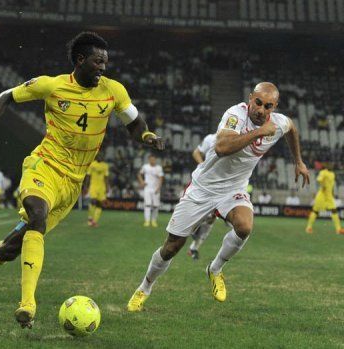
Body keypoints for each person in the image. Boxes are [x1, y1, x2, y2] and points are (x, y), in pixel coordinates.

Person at [0, 32, 164, 328]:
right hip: (45, 166)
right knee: (37, 217)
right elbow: (6, 96)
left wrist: (147, 135)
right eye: (98, 61)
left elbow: (134, 122)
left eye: (105, 62)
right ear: (80, 60)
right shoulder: (52, 86)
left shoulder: (113, 91)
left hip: (72, 184)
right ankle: (27, 305)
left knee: (8, 250)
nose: (103, 67)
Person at [127, 82, 310, 312]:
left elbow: (292, 128)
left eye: (268, 106)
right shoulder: (235, 114)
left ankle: (214, 269)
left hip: (233, 189)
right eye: (258, 103)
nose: (261, 110)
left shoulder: (279, 122)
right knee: (172, 246)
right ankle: (144, 288)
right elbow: (222, 147)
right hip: (202, 189)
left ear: (275, 107)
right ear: (251, 98)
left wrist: (299, 162)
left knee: (244, 227)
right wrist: (259, 132)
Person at [187, 133, 217, 260]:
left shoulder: (237, 140)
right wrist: (202, 164)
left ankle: (194, 247)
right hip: (204, 182)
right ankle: (195, 227)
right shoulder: (211, 138)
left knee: (212, 218)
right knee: (204, 213)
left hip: (221, 185)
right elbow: (196, 152)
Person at [305, 163, 344, 234]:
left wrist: (332, 193)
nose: (331, 165)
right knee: (315, 211)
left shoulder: (332, 174)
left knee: (334, 210)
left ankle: (338, 229)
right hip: (322, 195)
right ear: (326, 165)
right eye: (329, 164)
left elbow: (331, 186)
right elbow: (319, 179)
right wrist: (323, 186)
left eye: (331, 164)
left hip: (329, 196)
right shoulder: (323, 172)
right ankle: (308, 228)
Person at [138, 154, 164, 227]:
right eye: (151, 159)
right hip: (147, 188)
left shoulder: (158, 168)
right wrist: (141, 182)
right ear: (149, 159)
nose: (152, 160)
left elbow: (161, 178)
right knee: (147, 204)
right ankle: (147, 221)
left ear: (155, 160)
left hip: (155, 188)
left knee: (155, 206)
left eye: (154, 159)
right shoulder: (145, 167)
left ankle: (153, 221)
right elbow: (139, 174)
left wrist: (158, 187)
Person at [86, 153, 110, 227]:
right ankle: (90, 217)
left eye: (102, 156)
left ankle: (94, 221)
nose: (100, 157)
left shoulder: (105, 166)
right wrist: (86, 186)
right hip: (93, 186)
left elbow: (106, 177)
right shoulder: (92, 165)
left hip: (102, 187)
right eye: (99, 156)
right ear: (96, 156)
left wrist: (107, 187)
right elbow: (88, 176)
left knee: (100, 204)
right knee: (93, 201)